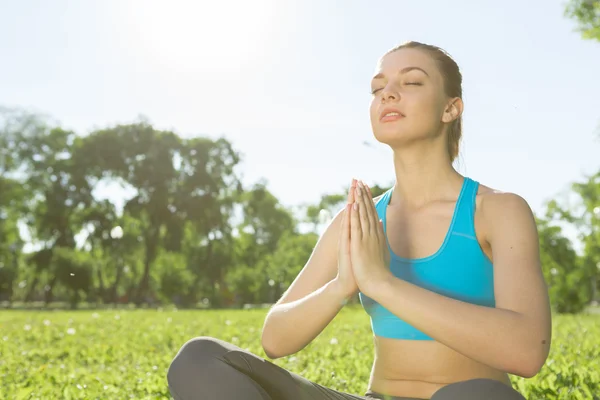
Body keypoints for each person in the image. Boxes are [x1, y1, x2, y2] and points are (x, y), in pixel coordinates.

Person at [166, 41, 552, 400]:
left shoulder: (498, 211)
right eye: (377, 87)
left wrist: (381, 283)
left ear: (450, 108)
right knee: (200, 359)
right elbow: (275, 339)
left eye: (412, 81)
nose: (388, 93)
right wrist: (341, 285)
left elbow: (526, 351)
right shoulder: (358, 220)